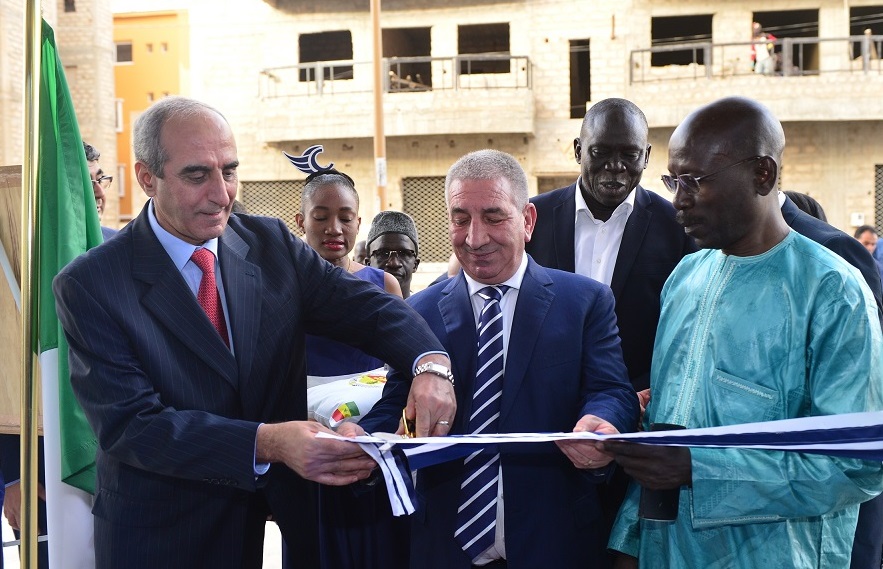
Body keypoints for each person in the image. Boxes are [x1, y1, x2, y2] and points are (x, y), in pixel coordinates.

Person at [51, 96, 457, 569]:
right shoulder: (91, 284)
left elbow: (367, 309)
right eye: (197, 175)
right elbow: (133, 426)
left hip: (288, 521)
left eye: (230, 170)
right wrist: (269, 442)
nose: (221, 194)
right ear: (147, 178)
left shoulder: (270, 245)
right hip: (164, 535)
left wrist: (430, 362)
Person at [604, 96, 883, 569]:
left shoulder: (832, 290)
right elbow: (666, 438)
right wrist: (629, 539)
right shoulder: (685, 277)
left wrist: (701, 472)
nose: (679, 199)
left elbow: (857, 463)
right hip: (665, 552)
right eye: (673, 180)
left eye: (695, 181)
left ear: (763, 175)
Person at [356, 149, 640, 569]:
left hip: (556, 542)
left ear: (527, 220)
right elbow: (398, 403)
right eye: (460, 218)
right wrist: (358, 441)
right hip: (443, 547)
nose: (474, 238)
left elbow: (611, 389)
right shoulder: (418, 312)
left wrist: (603, 421)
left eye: (493, 217)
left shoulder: (584, 302)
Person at [525, 97, 695, 559]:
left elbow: (686, 327)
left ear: (647, 156)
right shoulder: (529, 219)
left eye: (630, 155)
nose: (616, 168)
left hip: (636, 431)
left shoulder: (678, 228)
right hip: (544, 433)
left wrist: (650, 391)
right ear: (579, 149)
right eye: (602, 153)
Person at [366, 211, 421, 299]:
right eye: (383, 253)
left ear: (415, 264)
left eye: (403, 254)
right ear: (368, 264)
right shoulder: (353, 311)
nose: (394, 263)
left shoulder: (427, 310)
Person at [83, 141, 117, 240]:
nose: (100, 192)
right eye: (87, 183)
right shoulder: (39, 247)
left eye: (100, 179)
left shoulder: (118, 245)